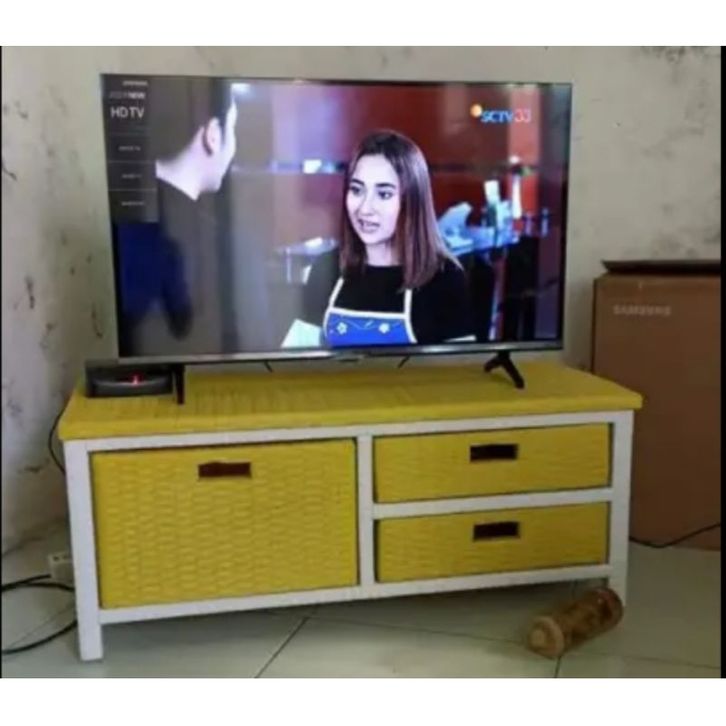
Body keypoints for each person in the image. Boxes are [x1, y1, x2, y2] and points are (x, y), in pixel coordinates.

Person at [301, 130, 473, 347]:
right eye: (357, 190)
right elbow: (293, 358)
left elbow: (463, 365)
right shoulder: (326, 268)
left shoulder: (445, 278)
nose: (365, 209)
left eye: (384, 194)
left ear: (412, 200)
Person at [114, 77, 238, 356]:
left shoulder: (121, 209)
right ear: (213, 135)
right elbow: (183, 325)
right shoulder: (192, 240)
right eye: (233, 127)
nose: (234, 147)